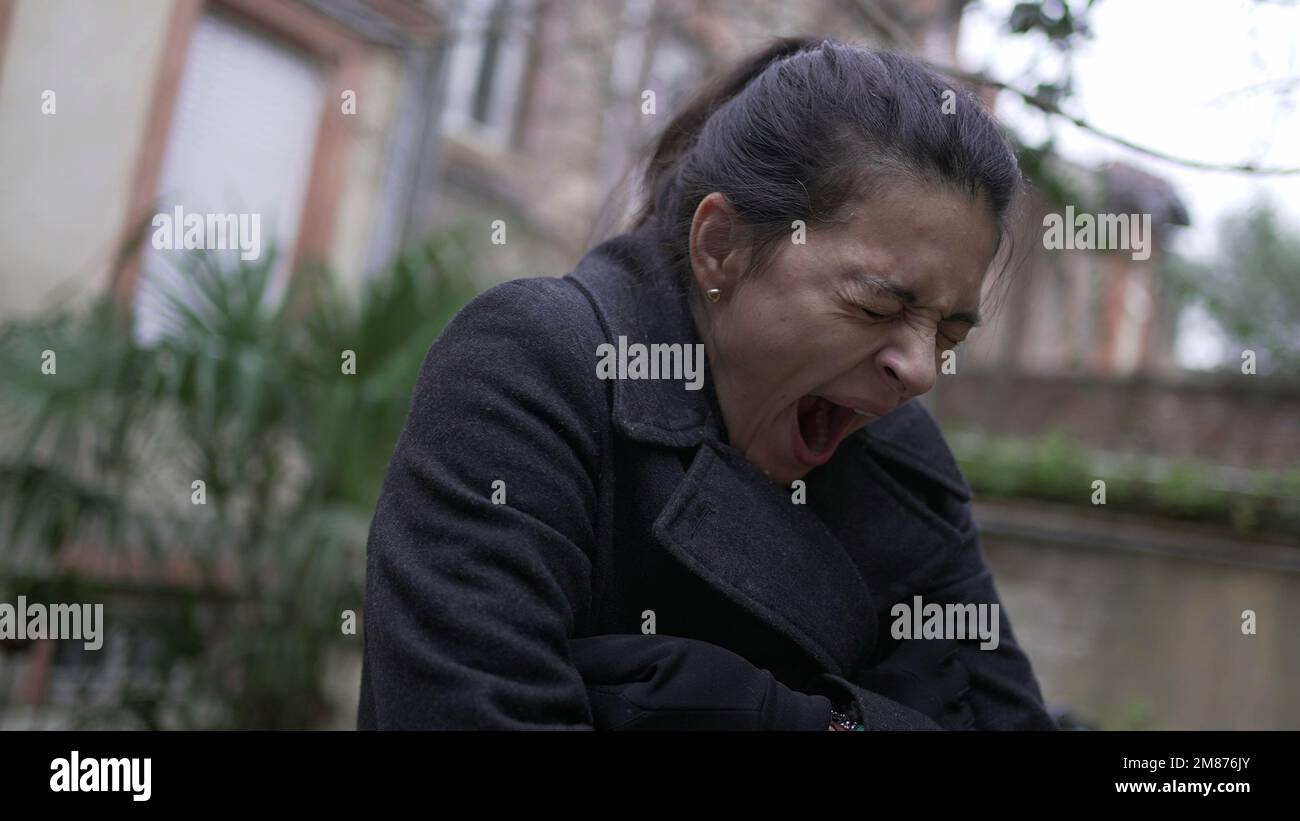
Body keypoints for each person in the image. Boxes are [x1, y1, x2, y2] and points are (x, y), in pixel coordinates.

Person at [357, 36, 1057, 731]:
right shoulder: (534, 366)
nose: (922, 370)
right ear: (720, 246)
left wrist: (775, 715)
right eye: (879, 306)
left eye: (950, 334)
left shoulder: (902, 461)